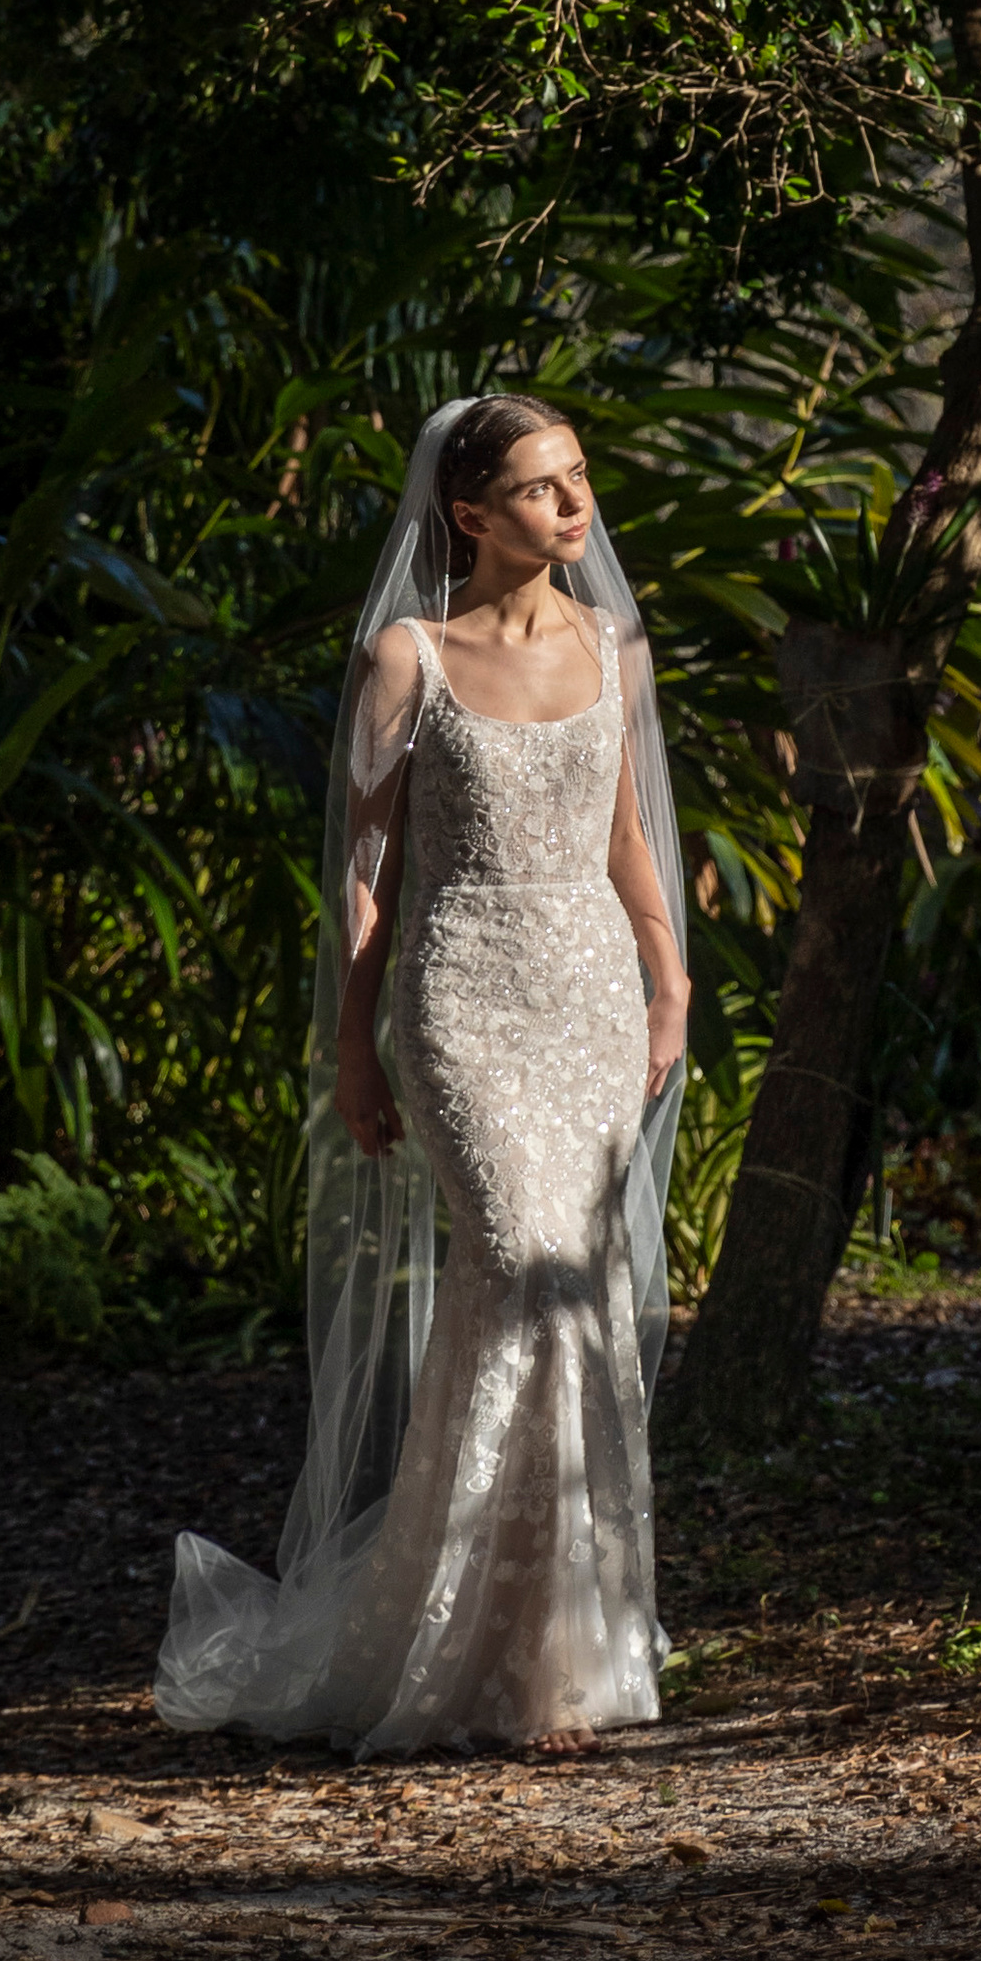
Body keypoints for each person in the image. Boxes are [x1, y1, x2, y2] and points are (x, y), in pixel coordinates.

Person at [155, 393, 691, 1756]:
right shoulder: (409, 657)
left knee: (568, 1287)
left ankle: (547, 1644)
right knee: (518, 1254)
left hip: (586, 993)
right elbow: (361, 870)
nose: (575, 507)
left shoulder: (612, 644)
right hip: (458, 991)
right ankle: (471, 1632)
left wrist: (669, 977)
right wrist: (352, 1041)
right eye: (540, 488)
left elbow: (627, 836)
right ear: (469, 513)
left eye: (579, 479)